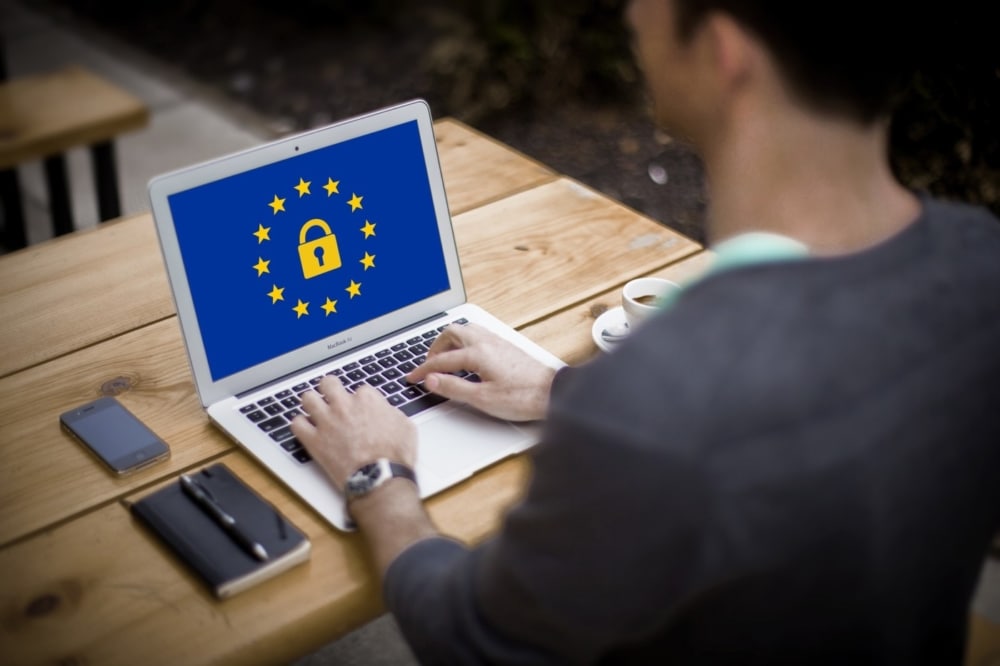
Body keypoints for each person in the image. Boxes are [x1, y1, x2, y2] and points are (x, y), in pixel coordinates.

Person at [291, 0, 1000, 662]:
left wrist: (378, 476)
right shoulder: (980, 265)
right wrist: (559, 389)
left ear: (725, 51)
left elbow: (468, 638)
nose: (630, 10)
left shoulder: (660, 403)